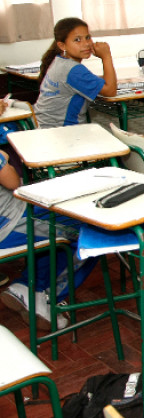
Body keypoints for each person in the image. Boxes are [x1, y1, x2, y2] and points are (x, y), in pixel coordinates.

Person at [0, 142, 91, 331]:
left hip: (11, 220)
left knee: (53, 226)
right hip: (10, 223)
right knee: (90, 229)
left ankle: (28, 285)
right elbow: (12, 182)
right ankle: (42, 296)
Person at [34, 17, 118, 128]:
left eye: (87, 37)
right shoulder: (74, 70)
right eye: (77, 40)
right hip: (63, 131)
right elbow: (110, 91)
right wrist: (106, 56)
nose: (86, 44)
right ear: (62, 45)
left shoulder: (59, 61)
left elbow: (90, 81)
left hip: (44, 127)